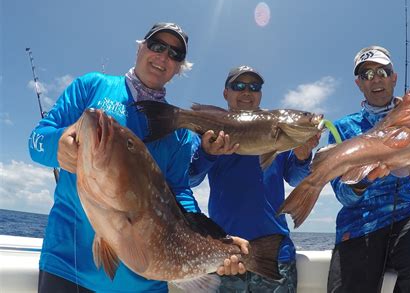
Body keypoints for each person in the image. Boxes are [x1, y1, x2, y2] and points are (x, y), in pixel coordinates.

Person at [28, 22, 248, 293]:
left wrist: (213, 240)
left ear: (179, 68)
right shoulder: (91, 86)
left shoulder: (177, 130)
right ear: (140, 48)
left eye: (175, 54)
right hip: (67, 267)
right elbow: (36, 140)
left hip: (145, 284)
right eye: (157, 46)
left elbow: (179, 190)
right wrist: (56, 146)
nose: (164, 57)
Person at [326, 45, 410, 293]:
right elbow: (344, 195)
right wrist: (363, 180)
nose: (375, 79)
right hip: (359, 222)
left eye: (382, 72)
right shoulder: (343, 129)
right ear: (358, 84)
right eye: (366, 74)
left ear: (394, 77)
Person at [189, 65, 321, 292]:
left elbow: (296, 178)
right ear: (225, 93)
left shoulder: (279, 132)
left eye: (254, 87)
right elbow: (190, 179)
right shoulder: (209, 134)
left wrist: (303, 156)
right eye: (238, 86)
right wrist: (207, 154)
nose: (247, 92)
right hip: (227, 253)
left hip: (275, 255)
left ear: (260, 93)